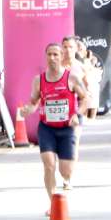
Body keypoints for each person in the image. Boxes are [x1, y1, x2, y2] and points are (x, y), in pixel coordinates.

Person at [20, 42, 89, 203]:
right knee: (49, 164)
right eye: (49, 54)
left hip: (67, 129)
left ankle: (66, 177)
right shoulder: (39, 80)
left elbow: (85, 98)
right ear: (46, 57)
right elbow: (33, 101)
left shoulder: (72, 78)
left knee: (66, 171)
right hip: (47, 128)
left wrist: (77, 115)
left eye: (56, 54)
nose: (52, 57)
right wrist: (28, 109)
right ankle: (53, 203)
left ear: (62, 56)